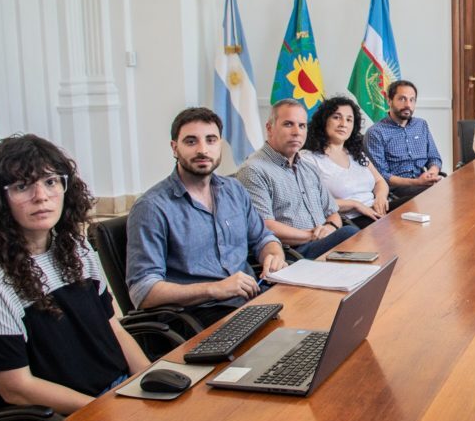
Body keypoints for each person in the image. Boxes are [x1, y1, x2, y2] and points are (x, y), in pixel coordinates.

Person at [0, 135, 150, 421]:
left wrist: (150, 378)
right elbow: (16, 387)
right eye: (23, 186)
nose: (41, 196)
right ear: (0, 198)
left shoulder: (76, 247)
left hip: (114, 392)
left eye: (51, 182)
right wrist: (104, 409)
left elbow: (112, 326)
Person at [127, 108, 287, 330]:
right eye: (191, 141)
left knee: (314, 316)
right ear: (174, 148)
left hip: (252, 299)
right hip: (199, 315)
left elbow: (263, 238)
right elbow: (143, 291)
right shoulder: (151, 207)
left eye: (210, 140)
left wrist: (274, 255)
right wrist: (214, 289)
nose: (203, 150)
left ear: (219, 144)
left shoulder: (234, 190)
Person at [237, 99, 359, 260]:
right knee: (351, 234)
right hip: (291, 253)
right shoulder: (253, 170)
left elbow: (332, 212)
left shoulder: (308, 168)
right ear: (269, 128)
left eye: (302, 126)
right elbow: (264, 225)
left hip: (322, 242)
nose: (297, 132)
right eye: (288, 124)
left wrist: (330, 227)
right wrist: (311, 235)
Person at [300, 97, 390, 229]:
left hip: (377, 209)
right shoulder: (308, 158)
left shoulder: (356, 153)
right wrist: (355, 204)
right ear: (324, 121)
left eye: (349, 119)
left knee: (413, 207)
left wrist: (380, 198)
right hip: (351, 220)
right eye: (337, 117)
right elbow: (312, 201)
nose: (343, 124)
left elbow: (380, 181)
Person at [364, 80, 444, 204]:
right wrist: (417, 182)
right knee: (441, 198)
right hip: (397, 191)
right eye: (402, 99)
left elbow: (434, 158)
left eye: (412, 100)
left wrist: (432, 173)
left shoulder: (421, 125)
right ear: (389, 101)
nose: (408, 105)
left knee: (457, 188)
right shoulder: (376, 133)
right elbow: (381, 176)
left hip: (424, 183)